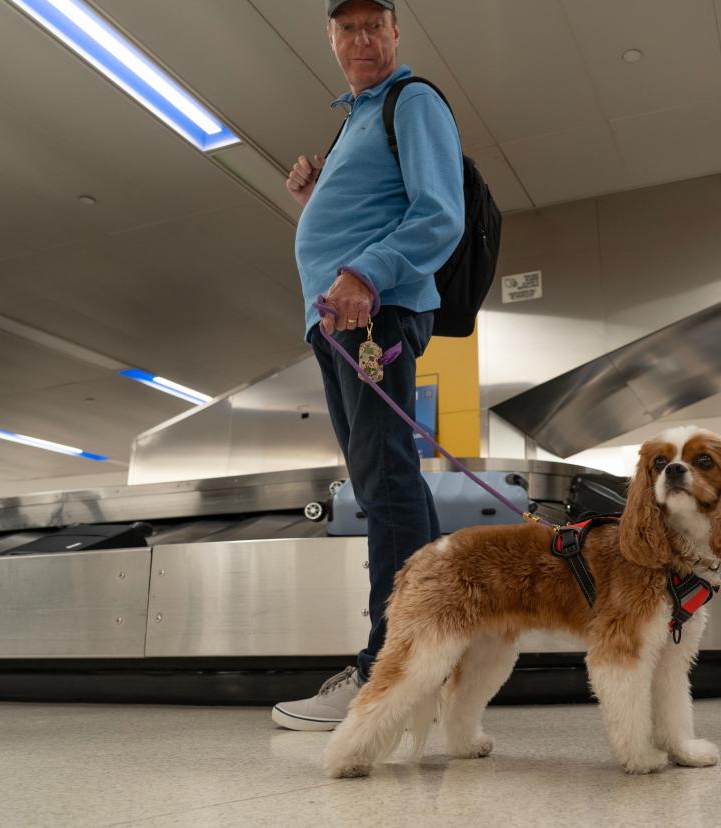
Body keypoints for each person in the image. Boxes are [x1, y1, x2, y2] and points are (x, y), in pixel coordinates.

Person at [272, 0, 464, 731]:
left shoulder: (411, 101)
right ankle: (415, 666)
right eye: (345, 27)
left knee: (386, 482)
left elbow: (438, 212)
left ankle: (388, 673)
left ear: (395, 31)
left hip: (370, 314)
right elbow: (366, 208)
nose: (360, 39)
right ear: (330, 38)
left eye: (372, 24)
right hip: (339, 321)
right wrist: (314, 199)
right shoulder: (357, 116)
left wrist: (365, 273)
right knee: (383, 482)